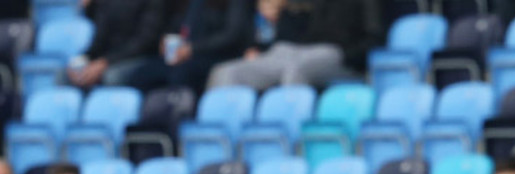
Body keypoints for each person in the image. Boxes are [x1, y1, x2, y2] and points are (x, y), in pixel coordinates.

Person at [206, 0, 383, 91]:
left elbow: (375, 36)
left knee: (296, 68)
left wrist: (348, 55)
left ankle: (284, 138)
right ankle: (220, 151)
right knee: (225, 71)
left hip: (336, 54)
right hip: (294, 49)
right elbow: (295, 29)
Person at [66, 0, 167, 90]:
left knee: (111, 77)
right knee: (66, 75)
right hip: (106, 60)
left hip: (140, 59)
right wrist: (84, 59)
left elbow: (144, 43)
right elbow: (98, 40)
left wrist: (106, 62)